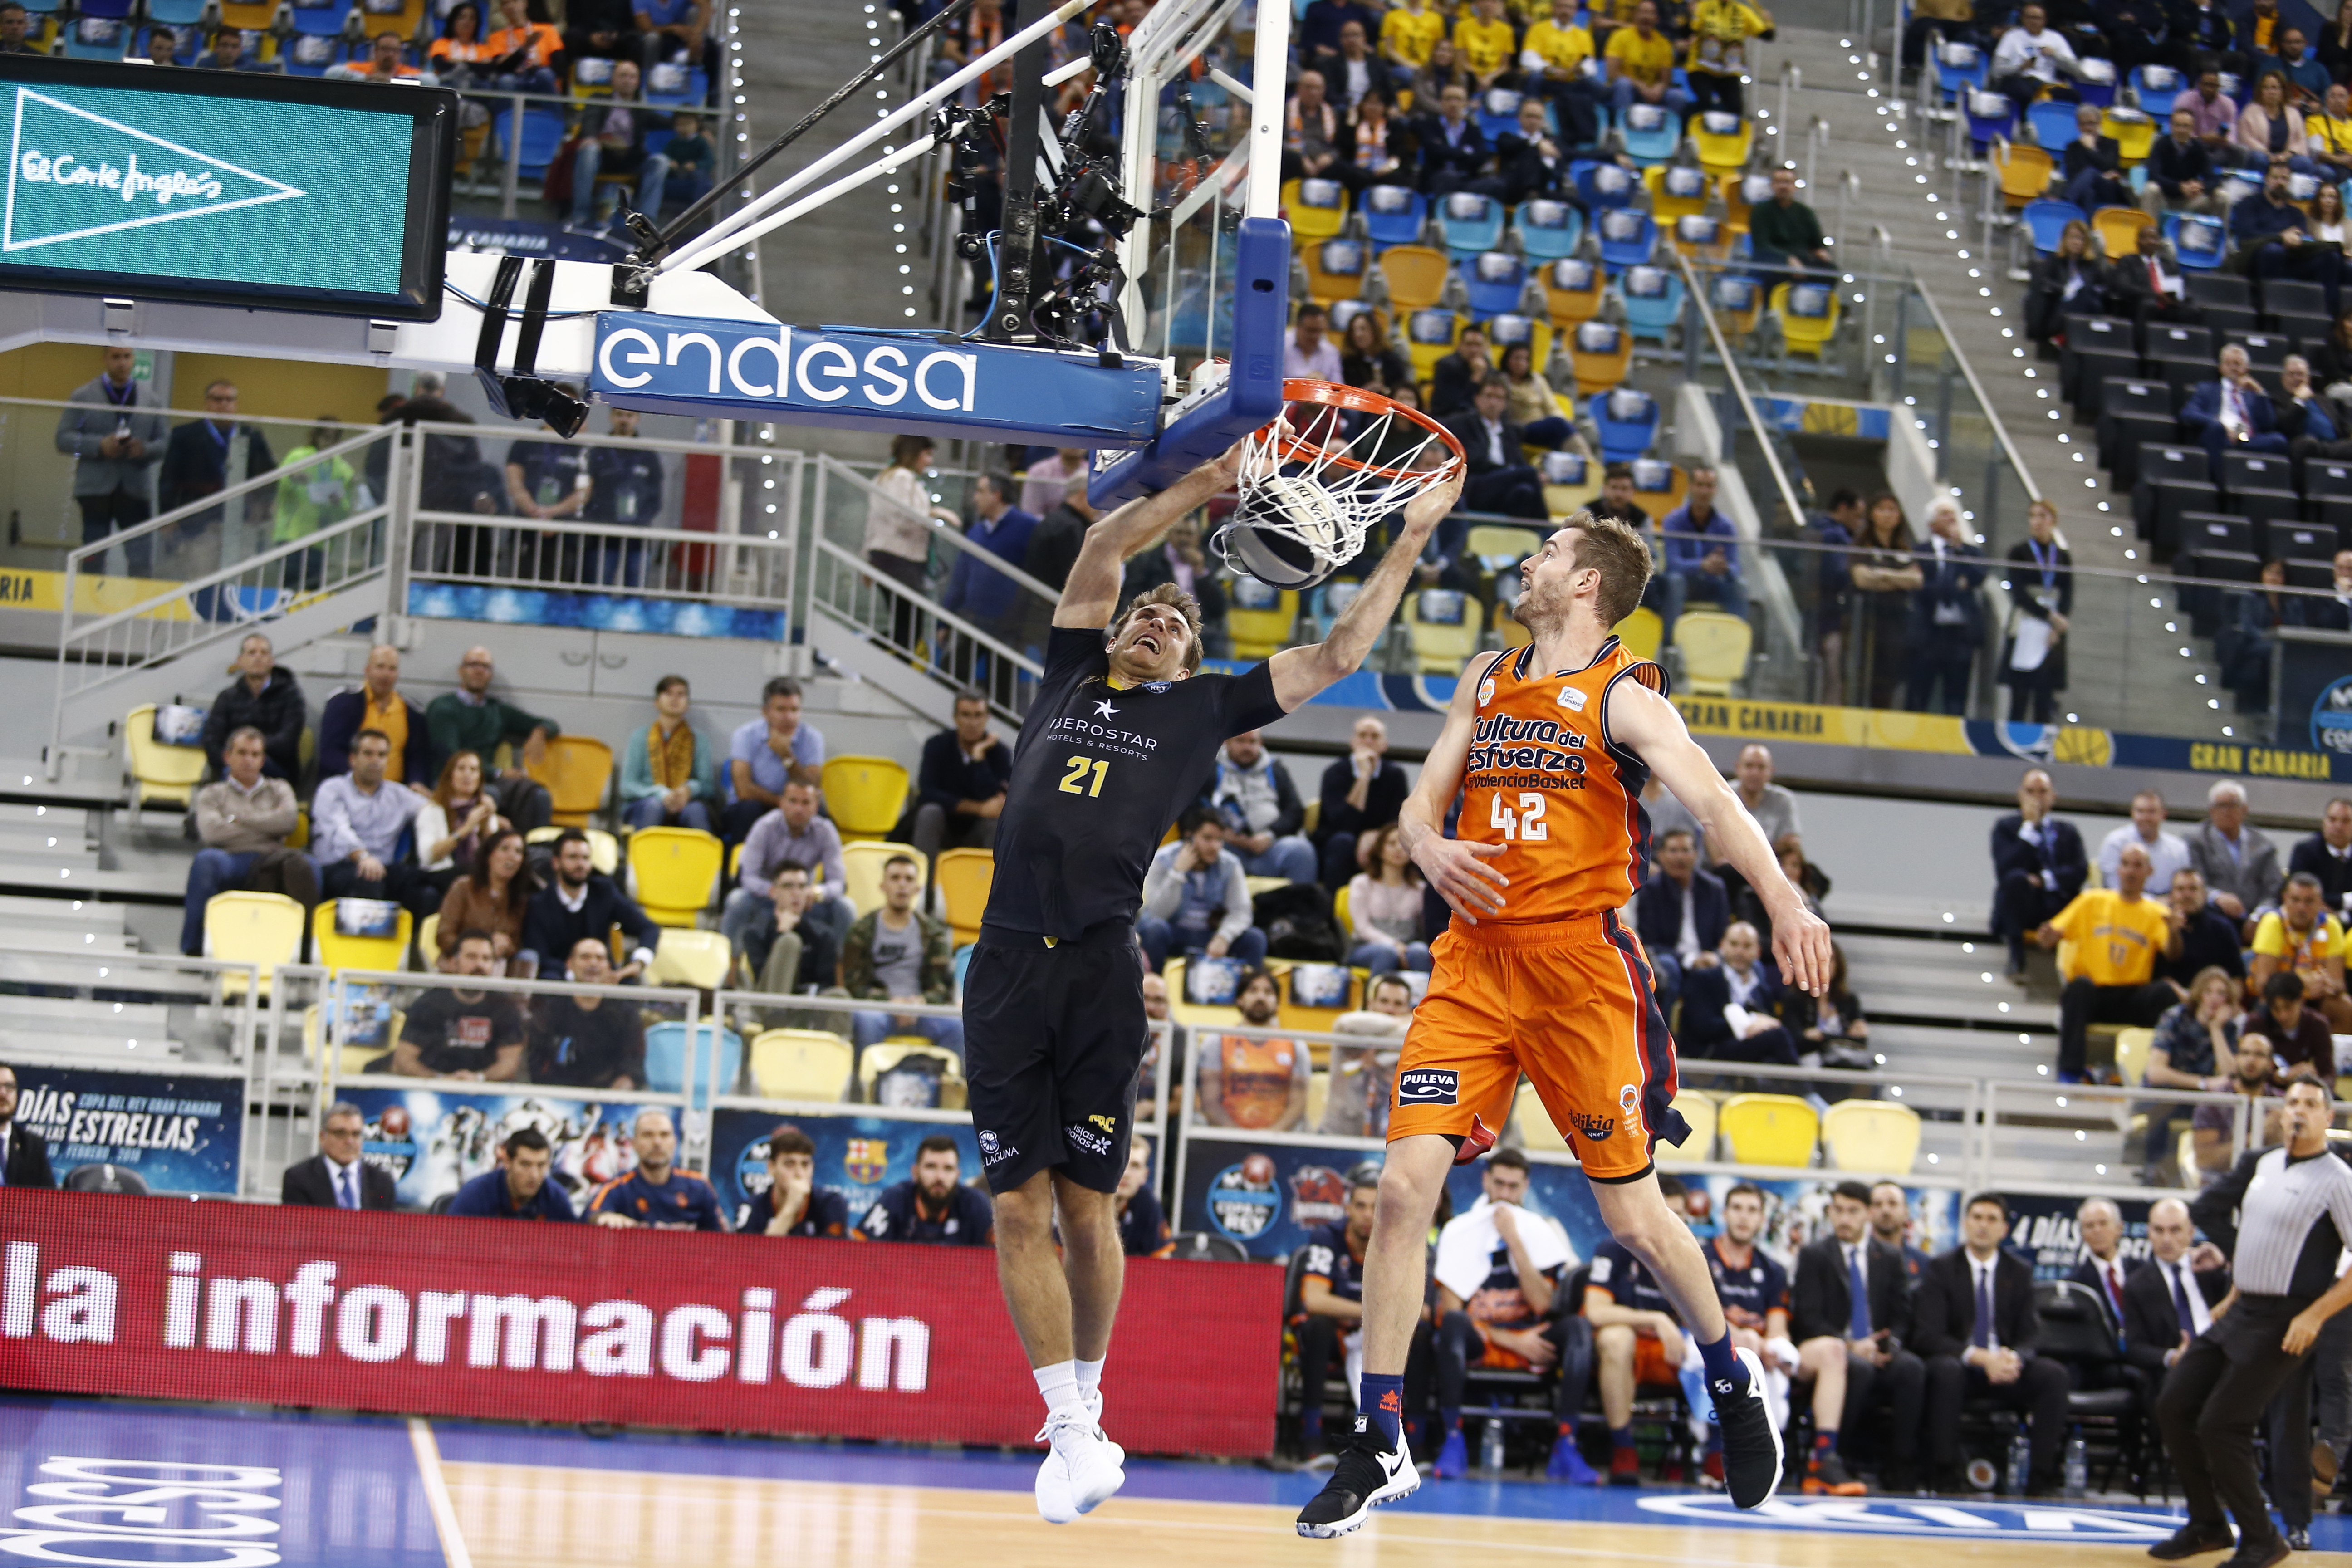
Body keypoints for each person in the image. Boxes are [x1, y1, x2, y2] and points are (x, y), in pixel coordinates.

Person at [1298, 509, 1833, 1536]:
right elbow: (1416, 808)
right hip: (1470, 968)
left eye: (1546, 550)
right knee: (1405, 1186)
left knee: (1633, 1221)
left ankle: (1726, 1373)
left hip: (1578, 974)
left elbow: (1716, 804)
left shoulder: (1621, 695)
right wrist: (1426, 845)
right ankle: (1378, 1438)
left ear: (1585, 581)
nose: (1527, 560)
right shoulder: (1487, 676)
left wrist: (1782, 899)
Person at [965, 437, 1457, 1526]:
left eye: (1176, 620)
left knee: (1088, 1210)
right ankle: (1072, 1430)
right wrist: (1204, 482)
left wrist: (1409, 538)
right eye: (1146, 610)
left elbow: (1336, 653)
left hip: (1099, 966)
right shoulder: (1070, 671)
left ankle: (1090, 1402)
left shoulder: (1200, 712)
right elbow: (1103, 543)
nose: (1154, 618)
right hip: (1001, 959)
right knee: (1014, 1206)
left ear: (1191, 659)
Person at [2161, 1081, 2352, 1565]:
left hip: (2288, 1318)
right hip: (2243, 1310)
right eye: (2291, 1103)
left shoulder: (2338, 1178)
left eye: (2310, 1104)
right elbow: (2261, 1239)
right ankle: (2207, 1525)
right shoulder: (2266, 1164)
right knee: (2173, 1404)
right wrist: (2236, 1290)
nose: (2298, 1112)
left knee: (2223, 1424)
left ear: (2328, 1117)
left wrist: (2315, 1314)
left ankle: (2264, 1538)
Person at [1429, 1152, 1591, 1479]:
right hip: (1484, 1339)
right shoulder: (1457, 1232)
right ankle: (1453, 1439)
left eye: (1513, 1187)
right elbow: (1449, 1311)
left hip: (1532, 1337)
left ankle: (1566, 1443)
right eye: (1499, 1184)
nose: (1504, 1194)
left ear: (1525, 1187)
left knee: (1578, 1330)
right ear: (1486, 1181)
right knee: (1453, 1325)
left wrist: (1515, 1240)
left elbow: (1543, 1305)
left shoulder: (1540, 1232)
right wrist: (1512, 1341)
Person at [1912, 1192, 2074, 1494]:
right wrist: (1979, 1357)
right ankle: (1945, 1472)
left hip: (2005, 1369)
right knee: (1946, 1372)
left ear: (2004, 1230)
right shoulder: (1941, 1268)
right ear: (1965, 1224)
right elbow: (1928, 1334)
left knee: (2053, 1375)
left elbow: (2032, 1334)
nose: (1983, 1226)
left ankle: (2041, 1478)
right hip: (1961, 1365)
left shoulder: (2019, 1271)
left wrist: (2015, 1359)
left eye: (1991, 1220)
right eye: (1977, 1218)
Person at [1791, 1180, 1925, 1494]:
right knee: (1858, 1368)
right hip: (1835, 1345)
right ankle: (1835, 1457)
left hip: (1877, 1347)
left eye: (1853, 1212)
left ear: (1867, 1214)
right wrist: (1852, 1345)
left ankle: (1901, 1465)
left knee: (1912, 1369)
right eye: (1838, 1211)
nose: (1845, 1219)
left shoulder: (1890, 1257)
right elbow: (1809, 1318)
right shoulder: (1814, 1255)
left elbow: (1902, 1315)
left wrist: (1888, 1346)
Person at [2034, 842, 2178, 1083]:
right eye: (2125, 864)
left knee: (2164, 994)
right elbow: (2051, 937)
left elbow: (2173, 954)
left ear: (2148, 872)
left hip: (2133, 995)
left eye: (2137, 865)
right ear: (2117, 869)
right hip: (2095, 993)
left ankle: (2160, 1072)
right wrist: (2047, 938)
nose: (2131, 871)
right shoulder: (2091, 901)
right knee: (2078, 989)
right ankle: (2070, 1072)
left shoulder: (2155, 912)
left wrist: (2174, 932)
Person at [181, 727, 316, 956]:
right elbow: (212, 833)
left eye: (255, 755)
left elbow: (288, 822)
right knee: (206, 860)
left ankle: (306, 953)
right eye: (242, 753)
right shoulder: (212, 793)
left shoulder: (280, 788)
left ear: (263, 759)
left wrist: (237, 820)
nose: (249, 760)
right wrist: (267, 826)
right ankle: (194, 949)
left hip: (272, 858)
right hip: (229, 858)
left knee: (309, 865)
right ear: (227, 757)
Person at [1294, 1175, 1397, 1456]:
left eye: (1375, 1207)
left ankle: (1397, 1438)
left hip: (1375, 1334)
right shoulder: (1326, 1237)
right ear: (1348, 1208)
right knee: (1318, 1326)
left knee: (1417, 1335)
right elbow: (1314, 1300)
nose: (1367, 1215)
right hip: (1335, 1335)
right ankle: (1310, 1435)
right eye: (1360, 1206)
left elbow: (1417, 1308)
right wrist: (1372, 1313)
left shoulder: (1396, 1242)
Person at [54, 346, 167, 580]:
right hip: (95, 488)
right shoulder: (83, 396)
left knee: (140, 557)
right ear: (105, 359)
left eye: (127, 357)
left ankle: (140, 607)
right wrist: (98, 446)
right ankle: (87, 607)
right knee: (94, 554)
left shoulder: (152, 400)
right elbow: (63, 440)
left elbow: (165, 444)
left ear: (134, 359)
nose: (122, 363)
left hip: (136, 488)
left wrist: (144, 449)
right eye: (116, 357)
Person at [721, 779, 851, 973]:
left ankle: (840, 973)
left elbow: (838, 883)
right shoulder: (765, 827)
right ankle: (730, 972)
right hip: (768, 899)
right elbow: (747, 877)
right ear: (782, 803)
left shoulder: (825, 831)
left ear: (816, 807)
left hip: (806, 902)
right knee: (737, 900)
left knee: (845, 907)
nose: (799, 809)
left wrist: (817, 892)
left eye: (806, 803)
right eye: (793, 801)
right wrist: (776, 892)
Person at [424, 647, 557, 834]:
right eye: (473, 665)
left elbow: (549, 723)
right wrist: (499, 773)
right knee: (490, 795)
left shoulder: (497, 710)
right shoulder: (443, 708)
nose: (479, 671)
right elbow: (450, 757)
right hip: (451, 780)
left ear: (490, 674)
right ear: (461, 671)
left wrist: (540, 732)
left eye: (485, 667)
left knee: (538, 795)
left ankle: (533, 852)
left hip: (489, 779)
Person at [843, 854, 960, 1054]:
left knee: (958, 1027)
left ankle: (952, 1084)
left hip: (922, 1012)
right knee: (866, 1020)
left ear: (918, 889)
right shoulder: (861, 931)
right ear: (883, 886)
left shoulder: (934, 933)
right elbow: (854, 985)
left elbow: (942, 987)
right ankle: (864, 1082)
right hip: (879, 1012)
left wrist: (920, 1003)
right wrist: (890, 1003)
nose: (902, 885)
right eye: (895, 878)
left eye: (909, 879)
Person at [312, 730, 435, 915]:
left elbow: (435, 812)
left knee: (426, 887)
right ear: (353, 759)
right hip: (338, 867)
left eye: (382, 755)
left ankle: (414, 943)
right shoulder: (332, 789)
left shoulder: (398, 794)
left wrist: (435, 798)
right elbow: (338, 830)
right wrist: (362, 856)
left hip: (382, 869)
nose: (375, 761)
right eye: (368, 754)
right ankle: (360, 944)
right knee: (368, 879)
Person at [156, 378, 276, 564]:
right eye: (218, 400)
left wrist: (261, 510)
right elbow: (168, 478)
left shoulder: (251, 436)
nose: (224, 405)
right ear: (207, 403)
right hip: (197, 521)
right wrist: (167, 517)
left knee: (236, 576)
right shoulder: (184, 435)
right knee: (201, 573)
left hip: (240, 520)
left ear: (236, 404)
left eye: (230, 400)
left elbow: (267, 476)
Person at [2142, 965, 2244, 1175]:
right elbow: (2156, 1072)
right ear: (2198, 994)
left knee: (2230, 1104)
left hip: (2201, 1099)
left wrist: (2216, 1030)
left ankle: (2217, 1170)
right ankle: (2153, 1170)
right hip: (2167, 1093)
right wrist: (2203, 1083)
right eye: (2208, 992)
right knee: (2160, 1101)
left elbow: (2231, 1075)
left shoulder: (2228, 1028)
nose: (2214, 999)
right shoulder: (2174, 1018)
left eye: (2222, 993)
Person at [2123, 1196, 2229, 1398]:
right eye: (2159, 1230)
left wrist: (2224, 1265)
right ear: (2149, 1233)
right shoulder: (2138, 1285)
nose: (2166, 1240)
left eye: (2175, 1230)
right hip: (2176, 1371)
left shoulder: (2211, 1270)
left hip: (2222, 1359)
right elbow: (2135, 1348)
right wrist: (2172, 1357)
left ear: (2191, 1233)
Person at [519, 830, 659, 982]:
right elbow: (539, 955)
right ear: (556, 863)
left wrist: (638, 963)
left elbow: (649, 928)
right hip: (561, 978)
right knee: (548, 978)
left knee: (630, 981)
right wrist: (579, 974)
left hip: (602, 977)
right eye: (573, 857)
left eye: (586, 858)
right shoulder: (539, 903)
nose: (581, 864)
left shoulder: (604, 892)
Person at [1137, 809, 1268, 971]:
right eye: (1208, 838)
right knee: (1154, 929)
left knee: (1255, 938)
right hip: (1174, 933)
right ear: (1189, 836)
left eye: (1220, 840)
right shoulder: (1163, 860)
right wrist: (1177, 874)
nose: (1215, 846)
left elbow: (1241, 912)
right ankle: (1152, 990)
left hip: (1210, 936)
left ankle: (1248, 991)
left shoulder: (1230, 865)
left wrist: (1224, 937)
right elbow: (1157, 913)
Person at [1989, 769, 2086, 978]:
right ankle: (2016, 957)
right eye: (2030, 791)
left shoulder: (2067, 831)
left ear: (2053, 797)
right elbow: (2005, 871)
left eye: (2042, 792)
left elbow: (2079, 871)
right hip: (2024, 906)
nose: (2037, 798)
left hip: (2058, 906)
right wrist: (2029, 829)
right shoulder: (2005, 828)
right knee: (2015, 880)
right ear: (2020, 795)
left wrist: (2044, 880)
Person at [388, 931, 525, 1079]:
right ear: (454, 963)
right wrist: (440, 1079)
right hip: (433, 1089)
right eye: (472, 957)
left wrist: (479, 1078)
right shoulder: (429, 1003)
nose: (479, 965)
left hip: (485, 1091)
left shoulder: (505, 1007)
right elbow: (403, 1060)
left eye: (486, 959)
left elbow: (511, 1063)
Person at [865, 434, 959, 642]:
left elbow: (873, 523)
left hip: (890, 558)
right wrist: (936, 514)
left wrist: (868, 557)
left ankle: (873, 652)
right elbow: (904, 519)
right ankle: (868, 649)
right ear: (913, 454)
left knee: (905, 626)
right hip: (900, 559)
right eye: (927, 455)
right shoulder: (901, 478)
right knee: (909, 629)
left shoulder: (887, 478)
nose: (930, 462)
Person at [1632, 827, 1730, 1020]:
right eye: (1673, 851)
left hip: (1709, 957)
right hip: (1672, 959)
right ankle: (1664, 1038)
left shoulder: (1714, 888)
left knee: (1749, 964)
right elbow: (1649, 943)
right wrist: (1690, 960)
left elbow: (1724, 935)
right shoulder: (1651, 891)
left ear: (1696, 854)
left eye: (1685, 850)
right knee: (1668, 967)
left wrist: (1715, 956)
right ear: (1661, 855)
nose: (1680, 858)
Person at [1198, 967, 1313, 1130]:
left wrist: (1271, 1135)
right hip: (1226, 1138)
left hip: (1279, 1139)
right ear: (1240, 1000)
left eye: (1268, 993)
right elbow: (1210, 1102)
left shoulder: (1295, 1045)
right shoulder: (1217, 1042)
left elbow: (1299, 1103)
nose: (1261, 997)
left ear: (1278, 1004)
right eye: (1253, 991)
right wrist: (1237, 1136)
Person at [941, 471, 1038, 655]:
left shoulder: (1028, 527)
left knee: (1003, 679)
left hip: (1010, 623)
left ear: (997, 494)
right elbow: (960, 578)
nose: (975, 498)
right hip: (973, 617)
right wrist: (944, 621)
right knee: (953, 670)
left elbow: (1036, 573)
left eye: (980, 491)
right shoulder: (976, 532)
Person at [1904, 499, 1985, 716]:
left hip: (1959, 634)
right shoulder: (1921, 551)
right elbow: (1918, 585)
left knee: (1957, 696)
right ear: (1931, 523)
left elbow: (1978, 576)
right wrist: (1950, 585)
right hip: (1928, 632)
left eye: (1953, 514)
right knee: (1919, 692)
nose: (1951, 519)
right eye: (1944, 514)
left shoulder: (1970, 552)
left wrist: (1959, 550)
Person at [529, 937, 646, 1088]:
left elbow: (632, 1066)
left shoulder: (626, 1015)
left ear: (608, 966)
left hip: (607, 1099)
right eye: (585, 957)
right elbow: (537, 1062)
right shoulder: (550, 1010)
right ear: (569, 964)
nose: (593, 963)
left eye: (600, 958)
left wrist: (616, 1095)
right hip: (558, 1097)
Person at [568, 59, 669, 231]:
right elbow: (589, 122)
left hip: (630, 158)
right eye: (623, 76)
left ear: (637, 82)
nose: (627, 80)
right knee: (589, 149)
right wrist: (593, 138)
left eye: (632, 77)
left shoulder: (641, 107)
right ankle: (580, 213)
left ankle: (646, 221)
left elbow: (668, 122)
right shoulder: (599, 99)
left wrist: (700, 126)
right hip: (603, 156)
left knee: (661, 162)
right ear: (613, 79)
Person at [1679, 921, 1800, 1065]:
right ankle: (1805, 1088)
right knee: (1777, 1036)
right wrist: (1749, 1023)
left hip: (1749, 1051)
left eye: (1747, 946)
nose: (1740, 952)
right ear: (1722, 946)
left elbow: (1768, 1023)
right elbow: (1704, 1027)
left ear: (1758, 952)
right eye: (1734, 944)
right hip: (1710, 1052)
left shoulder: (1762, 989)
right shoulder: (1703, 979)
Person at [1206, 731, 1318, 886]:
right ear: (1227, 742)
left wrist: (1270, 835)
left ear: (1261, 744)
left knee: (1301, 850)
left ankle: (1300, 908)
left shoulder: (1276, 769)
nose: (1247, 747)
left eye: (1252, 742)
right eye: (1241, 741)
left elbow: (1294, 811)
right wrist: (1220, 834)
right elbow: (1194, 808)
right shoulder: (1209, 768)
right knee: (1205, 846)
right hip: (1226, 845)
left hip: (1269, 847)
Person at [724, 676, 826, 843]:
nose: (789, 717)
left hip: (794, 805)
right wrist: (783, 802)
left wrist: (786, 756)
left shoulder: (813, 738)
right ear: (765, 712)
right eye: (781, 710)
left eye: (794, 710)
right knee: (748, 809)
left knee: (821, 815)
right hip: (755, 805)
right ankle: (740, 866)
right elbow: (743, 790)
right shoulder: (745, 735)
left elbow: (811, 787)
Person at [913, 688, 1012, 858]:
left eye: (978, 715)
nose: (972, 722)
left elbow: (995, 800)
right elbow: (928, 793)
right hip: (943, 825)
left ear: (987, 718)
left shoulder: (1000, 753)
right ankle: (922, 884)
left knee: (997, 824)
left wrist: (979, 759)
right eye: (966, 715)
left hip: (978, 830)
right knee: (929, 812)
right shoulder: (937, 745)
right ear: (956, 718)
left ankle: (992, 884)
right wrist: (979, 808)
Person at [588, 1110, 725, 1230]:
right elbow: (591, 1216)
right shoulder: (619, 1187)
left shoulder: (699, 1187)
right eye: (648, 1135)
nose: (657, 1142)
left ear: (675, 1142)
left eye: (664, 1135)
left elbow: (721, 1239)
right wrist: (604, 1218)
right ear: (634, 1143)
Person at [1318, 715, 1411, 890]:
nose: (1368, 741)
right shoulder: (1334, 773)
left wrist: (1375, 835)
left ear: (1385, 744)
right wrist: (1364, 777)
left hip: (1380, 837)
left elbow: (1397, 819)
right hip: (1339, 838)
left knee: (1405, 846)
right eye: (1362, 735)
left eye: (1375, 736)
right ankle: (1332, 911)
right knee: (1342, 842)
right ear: (1353, 741)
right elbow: (1342, 823)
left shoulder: (1396, 775)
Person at [1848, 493, 1922, 710]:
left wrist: (1882, 575)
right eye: (1882, 509)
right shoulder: (1862, 545)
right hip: (1867, 618)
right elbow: (1862, 579)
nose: (1887, 515)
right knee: (1865, 672)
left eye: (1892, 510)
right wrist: (1898, 579)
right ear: (1872, 514)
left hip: (1897, 621)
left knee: (1890, 675)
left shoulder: (1905, 549)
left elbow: (1916, 580)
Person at [2001, 500, 2073, 722]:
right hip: (2026, 624)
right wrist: (2049, 617)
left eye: (2043, 516)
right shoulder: (2019, 552)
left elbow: (2068, 593)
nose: (2037, 522)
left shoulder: (2062, 557)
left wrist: (2058, 625)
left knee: (2045, 695)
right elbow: (2019, 593)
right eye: (2033, 516)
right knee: (2020, 694)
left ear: (2053, 521)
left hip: (2051, 631)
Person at [2232, 158, 2339, 304]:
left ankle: (2329, 314)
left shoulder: (2296, 213)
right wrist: (2281, 237)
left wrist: (2293, 240)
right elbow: (2247, 236)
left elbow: (2301, 238)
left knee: (2331, 257)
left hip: (2290, 261)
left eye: (2285, 179)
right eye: (2275, 178)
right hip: (2257, 261)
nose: (2280, 183)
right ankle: (2267, 307)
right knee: (2273, 251)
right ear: (2266, 180)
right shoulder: (2249, 204)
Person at [319, 645, 431, 786]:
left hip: (396, 795)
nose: (386, 674)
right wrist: (362, 779)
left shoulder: (413, 712)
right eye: (380, 667)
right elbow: (330, 753)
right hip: (348, 788)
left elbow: (418, 759)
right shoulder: (343, 703)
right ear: (367, 671)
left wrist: (416, 782)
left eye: (392, 669)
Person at [200, 633, 305, 783]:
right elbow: (211, 740)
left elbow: (287, 741)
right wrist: (235, 760)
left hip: (276, 769)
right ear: (240, 661)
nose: (258, 657)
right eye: (251, 653)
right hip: (230, 768)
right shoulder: (226, 698)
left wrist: (251, 755)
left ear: (271, 661)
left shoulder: (291, 697)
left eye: (264, 653)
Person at [852, 1134, 994, 1243]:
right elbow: (859, 1250)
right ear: (915, 1172)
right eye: (931, 1167)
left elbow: (1000, 1256)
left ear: (958, 1175)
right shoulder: (894, 1199)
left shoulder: (975, 1204)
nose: (940, 1177)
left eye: (948, 1169)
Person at [619, 674, 716, 833]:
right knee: (654, 806)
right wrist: (660, 793)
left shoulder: (699, 739)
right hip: (646, 803)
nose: (675, 699)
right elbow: (627, 786)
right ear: (657, 702)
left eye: (681, 694)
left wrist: (689, 789)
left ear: (687, 705)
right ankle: (642, 857)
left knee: (696, 811)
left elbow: (708, 786)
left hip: (686, 803)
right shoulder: (640, 737)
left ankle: (702, 857)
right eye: (668, 694)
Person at [580, 406, 663, 586]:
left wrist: (639, 522)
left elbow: (656, 498)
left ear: (638, 419)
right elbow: (585, 491)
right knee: (598, 590)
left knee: (636, 591)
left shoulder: (649, 456)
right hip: (602, 535)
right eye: (619, 415)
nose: (624, 420)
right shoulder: (597, 453)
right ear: (611, 417)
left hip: (637, 536)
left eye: (630, 415)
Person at [1659, 466, 1747, 634]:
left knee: (1740, 585)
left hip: (1713, 583)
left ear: (1716, 490)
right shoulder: (1674, 521)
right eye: (1700, 485)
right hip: (1685, 583)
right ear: (1690, 487)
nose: (1704, 491)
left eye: (1710, 486)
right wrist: (1702, 565)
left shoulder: (1726, 526)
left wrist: (1723, 567)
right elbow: (1673, 563)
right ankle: (1670, 643)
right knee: (1675, 581)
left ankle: (1736, 642)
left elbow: (1736, 567)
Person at [2187, 779, 2283, 928]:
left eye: (2233, 805)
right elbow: (2194, 884)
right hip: (2213, 916)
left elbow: (2274, 889)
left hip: (2256, 919)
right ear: (2211, 810)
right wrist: (2218, 897)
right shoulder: (2197, 841)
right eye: (2221, 806)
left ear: (2245, 810)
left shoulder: (2264, 845)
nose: (2227, 811)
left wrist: (2259, 916)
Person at [434, 828, 532, 973]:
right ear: (489, 855)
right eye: (505, 849)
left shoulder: (520, 899)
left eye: (518, 852)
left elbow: (519, 945)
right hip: (459, 966)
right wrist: (478, 948)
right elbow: (443, 935)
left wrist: (507, 946)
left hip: (500, 968)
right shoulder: (463, 887)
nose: (512, 856)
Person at [413, 751, 508, 895]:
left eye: (473, 770)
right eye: (461, 769)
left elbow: (494, 856)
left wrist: (488, 822)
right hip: (440, 875)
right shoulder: (432, 810)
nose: (467, 775)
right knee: (471, 872)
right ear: (450, 775)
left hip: (476, 876)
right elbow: (428, 857)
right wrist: (466, 829)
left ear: (480, 778)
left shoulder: (484, 808)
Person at [746, 863, 842, 1004]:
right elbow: (761, 977)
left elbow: (826, 984)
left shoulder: (823, 935)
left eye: (802, 887)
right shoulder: (756, 932)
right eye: (788, 886)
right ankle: (776, 1019)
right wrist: (782, 934)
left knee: (839, 996)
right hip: (766, 1004)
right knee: (790, 941)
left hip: (806, 1007)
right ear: (774, 892)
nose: (796, 893)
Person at [2193, 1032, 2286, 1177]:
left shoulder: (2282, 1102)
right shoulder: (2214, 1101)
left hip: (2269, 1181)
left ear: (2270, 1064)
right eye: (2245, 1053)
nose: (2251, 1060)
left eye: (2259, 1055)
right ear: (2236, 1058)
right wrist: (2259, 1133)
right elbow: (2205, 1161)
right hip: (2222, 1181)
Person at [1345, 824, 1433, 975]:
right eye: (1392, 844)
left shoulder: (1420, 889)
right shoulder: (1362, 883)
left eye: (1404, 844)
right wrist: (1394, 945)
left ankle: (1425, 997)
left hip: (1408, 947)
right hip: (1367, 946)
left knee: (1421, 951)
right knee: (1387, 953)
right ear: (1380, 849)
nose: (1399, 849)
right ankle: (1377, 997)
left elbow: (1422, 929)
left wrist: (1403, 947)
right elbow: (1361, 927)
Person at [279, 1101, 395, 1209]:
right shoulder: (299, 1179)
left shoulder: (382, 1183)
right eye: (341, 1133)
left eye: (356, 1134)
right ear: (322, 1137)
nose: (349, 1141)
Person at [739, 1125, 851, 1237]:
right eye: (789, 1164)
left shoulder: (832, 1204)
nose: (799, 1174)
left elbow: (833, 1252)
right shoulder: (753, 1206)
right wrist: (790, 1208)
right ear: (771, 1168)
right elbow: (752, 1253)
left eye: (805, 1165)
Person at [446, 1127, 577, 1220]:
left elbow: (574, 1250)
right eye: (525, 1165)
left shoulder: (557, 1198)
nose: (534, 1175)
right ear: (507, 1162)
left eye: (541, 1166)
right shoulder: (475, 1194)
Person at [2161, 866, 2249, 992]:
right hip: (2175, 999)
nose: (2187, 895)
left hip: (2216, 999)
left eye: (2193, 889)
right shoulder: (2162, 926)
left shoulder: (2223, 929)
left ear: (2204, 895)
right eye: (2180, 889)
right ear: (2171, 896)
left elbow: (2236, 978)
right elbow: (2162, 979)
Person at [1683, 0, 1773, 116]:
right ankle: (1689, 129)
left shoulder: (1743, 12)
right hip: (1701, 68)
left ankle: (1726, 132)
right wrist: (1690, 15)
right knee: (1705, 100)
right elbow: (1688, 31)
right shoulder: (1704, 7)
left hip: (1728, 72)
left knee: (1736, 107)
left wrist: (1768, 21)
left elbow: (1767, 35)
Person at [2248, 969, 2337, 1084]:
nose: (2283, 1015)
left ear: (2301, 1000)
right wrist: (2278, 1077)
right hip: (2267, 1094)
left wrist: (2316, 1084)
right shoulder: (2256, 1023)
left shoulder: (2318, 1025)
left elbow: (2328, 1073)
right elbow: (2247, 1070)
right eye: (2276, 1009)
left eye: (2288, 1008)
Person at [1990, 1, 2082, 111]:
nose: (2033, 21)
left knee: (2074, 96)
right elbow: (1996, 71)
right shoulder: (2011, 36)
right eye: (2029, 17)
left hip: (2046, 85)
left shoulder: (2056, 38)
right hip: (2020, 80)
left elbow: (2076, 70)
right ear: (2023, 19)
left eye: (2037, 18)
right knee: (2023, 92)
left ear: (2045, 20)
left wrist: (2055, 55)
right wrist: (2020, 68)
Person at [2028, 219, 2103, 348]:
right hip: (2059, 307)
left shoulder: (2091, 265)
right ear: (2065, 239)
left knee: (2085, 295)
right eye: (2074, 238)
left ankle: (2067, 338)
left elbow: (2102, 285)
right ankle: (2065, 336)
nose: (2077, 243)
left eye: (2082, 239)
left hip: (2086, 307)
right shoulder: (2054, 261)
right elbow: (2044, 282)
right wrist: (2064, 289)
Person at [1602, 0, 1684, 119]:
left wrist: (1659, 88)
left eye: (1651, 13)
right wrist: (1640, 86)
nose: (1646, 17)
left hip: (1652, 93)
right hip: (1628, 90)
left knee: (1677, 96)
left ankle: (1665, 133)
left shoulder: (1664, 44)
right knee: (1623, 84)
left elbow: (1666, 80)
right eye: (1643, 12)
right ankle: (1622, 126)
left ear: (1657, 19)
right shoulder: (1620, 37)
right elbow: (1612, 74)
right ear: (1635, 15)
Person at [1749, 165, 1833, 277]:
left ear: (1795, 186)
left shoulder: (1805, 212)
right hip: (1772, 261)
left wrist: (1822, 253)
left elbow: (1818, 243)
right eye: (1779, 182)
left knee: (1830, 271)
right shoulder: (1761, 211)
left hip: (1802, 260)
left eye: (1787, 182)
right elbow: (1762, 245)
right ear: (1772, 185)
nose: (1783, 187)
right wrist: (1788, 260)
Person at [2100, 789, 2193, 889]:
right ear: (2132, 813)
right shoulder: (2115, 843)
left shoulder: (2178, 849)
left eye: (2151, 812)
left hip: (2166, 904)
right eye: (2140, 811)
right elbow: (2114, 888)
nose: (2145, 817)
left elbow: (2183, 889)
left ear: (2163, 815)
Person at [2145, 107, 2222, 217]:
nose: (2181, 130)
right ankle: (2150, 232)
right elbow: (2154, 175)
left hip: (2190, 200)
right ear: (2171, 126)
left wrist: (2201, 186)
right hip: (2165, 198)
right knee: (2151, 189)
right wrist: (2179, 187)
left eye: (2186, 126)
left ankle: (2220, 233)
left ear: (2192, 129)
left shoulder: (2199, 148)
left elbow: (2213, 178)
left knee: (2222, 196)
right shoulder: (2161, 144)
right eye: (2178, 125)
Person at [2060, 101, 2132, 212]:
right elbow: (2073, 176)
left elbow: (2110, 166)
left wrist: (2091, 149)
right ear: (2078, 126)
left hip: (2108, 191)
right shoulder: (2072, 147)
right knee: (2088, 192)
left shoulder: (2112, 144)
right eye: (2084, 124)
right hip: (2084, 190)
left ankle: (2066, 201)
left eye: (2092, 124)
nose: (2088, 128)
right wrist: (2102, 175)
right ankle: (2090, 227)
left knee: (2090, 172)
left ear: (2100, 124)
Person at [2287, 795, 2352, 911]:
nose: (2338, 827)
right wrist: (2345, 900)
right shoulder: (2306, 851)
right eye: (2332, 820)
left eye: (2346, 821)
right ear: (2324, 822)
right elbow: (2301, 895)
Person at [1114, 1139, 1171, 1259]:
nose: (1126, 1173)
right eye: (1120, 1162)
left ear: (1144, 1176)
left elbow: (1164, 1263)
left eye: (1135, 1166)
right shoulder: (1083, 1200)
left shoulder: (1148, 1204)